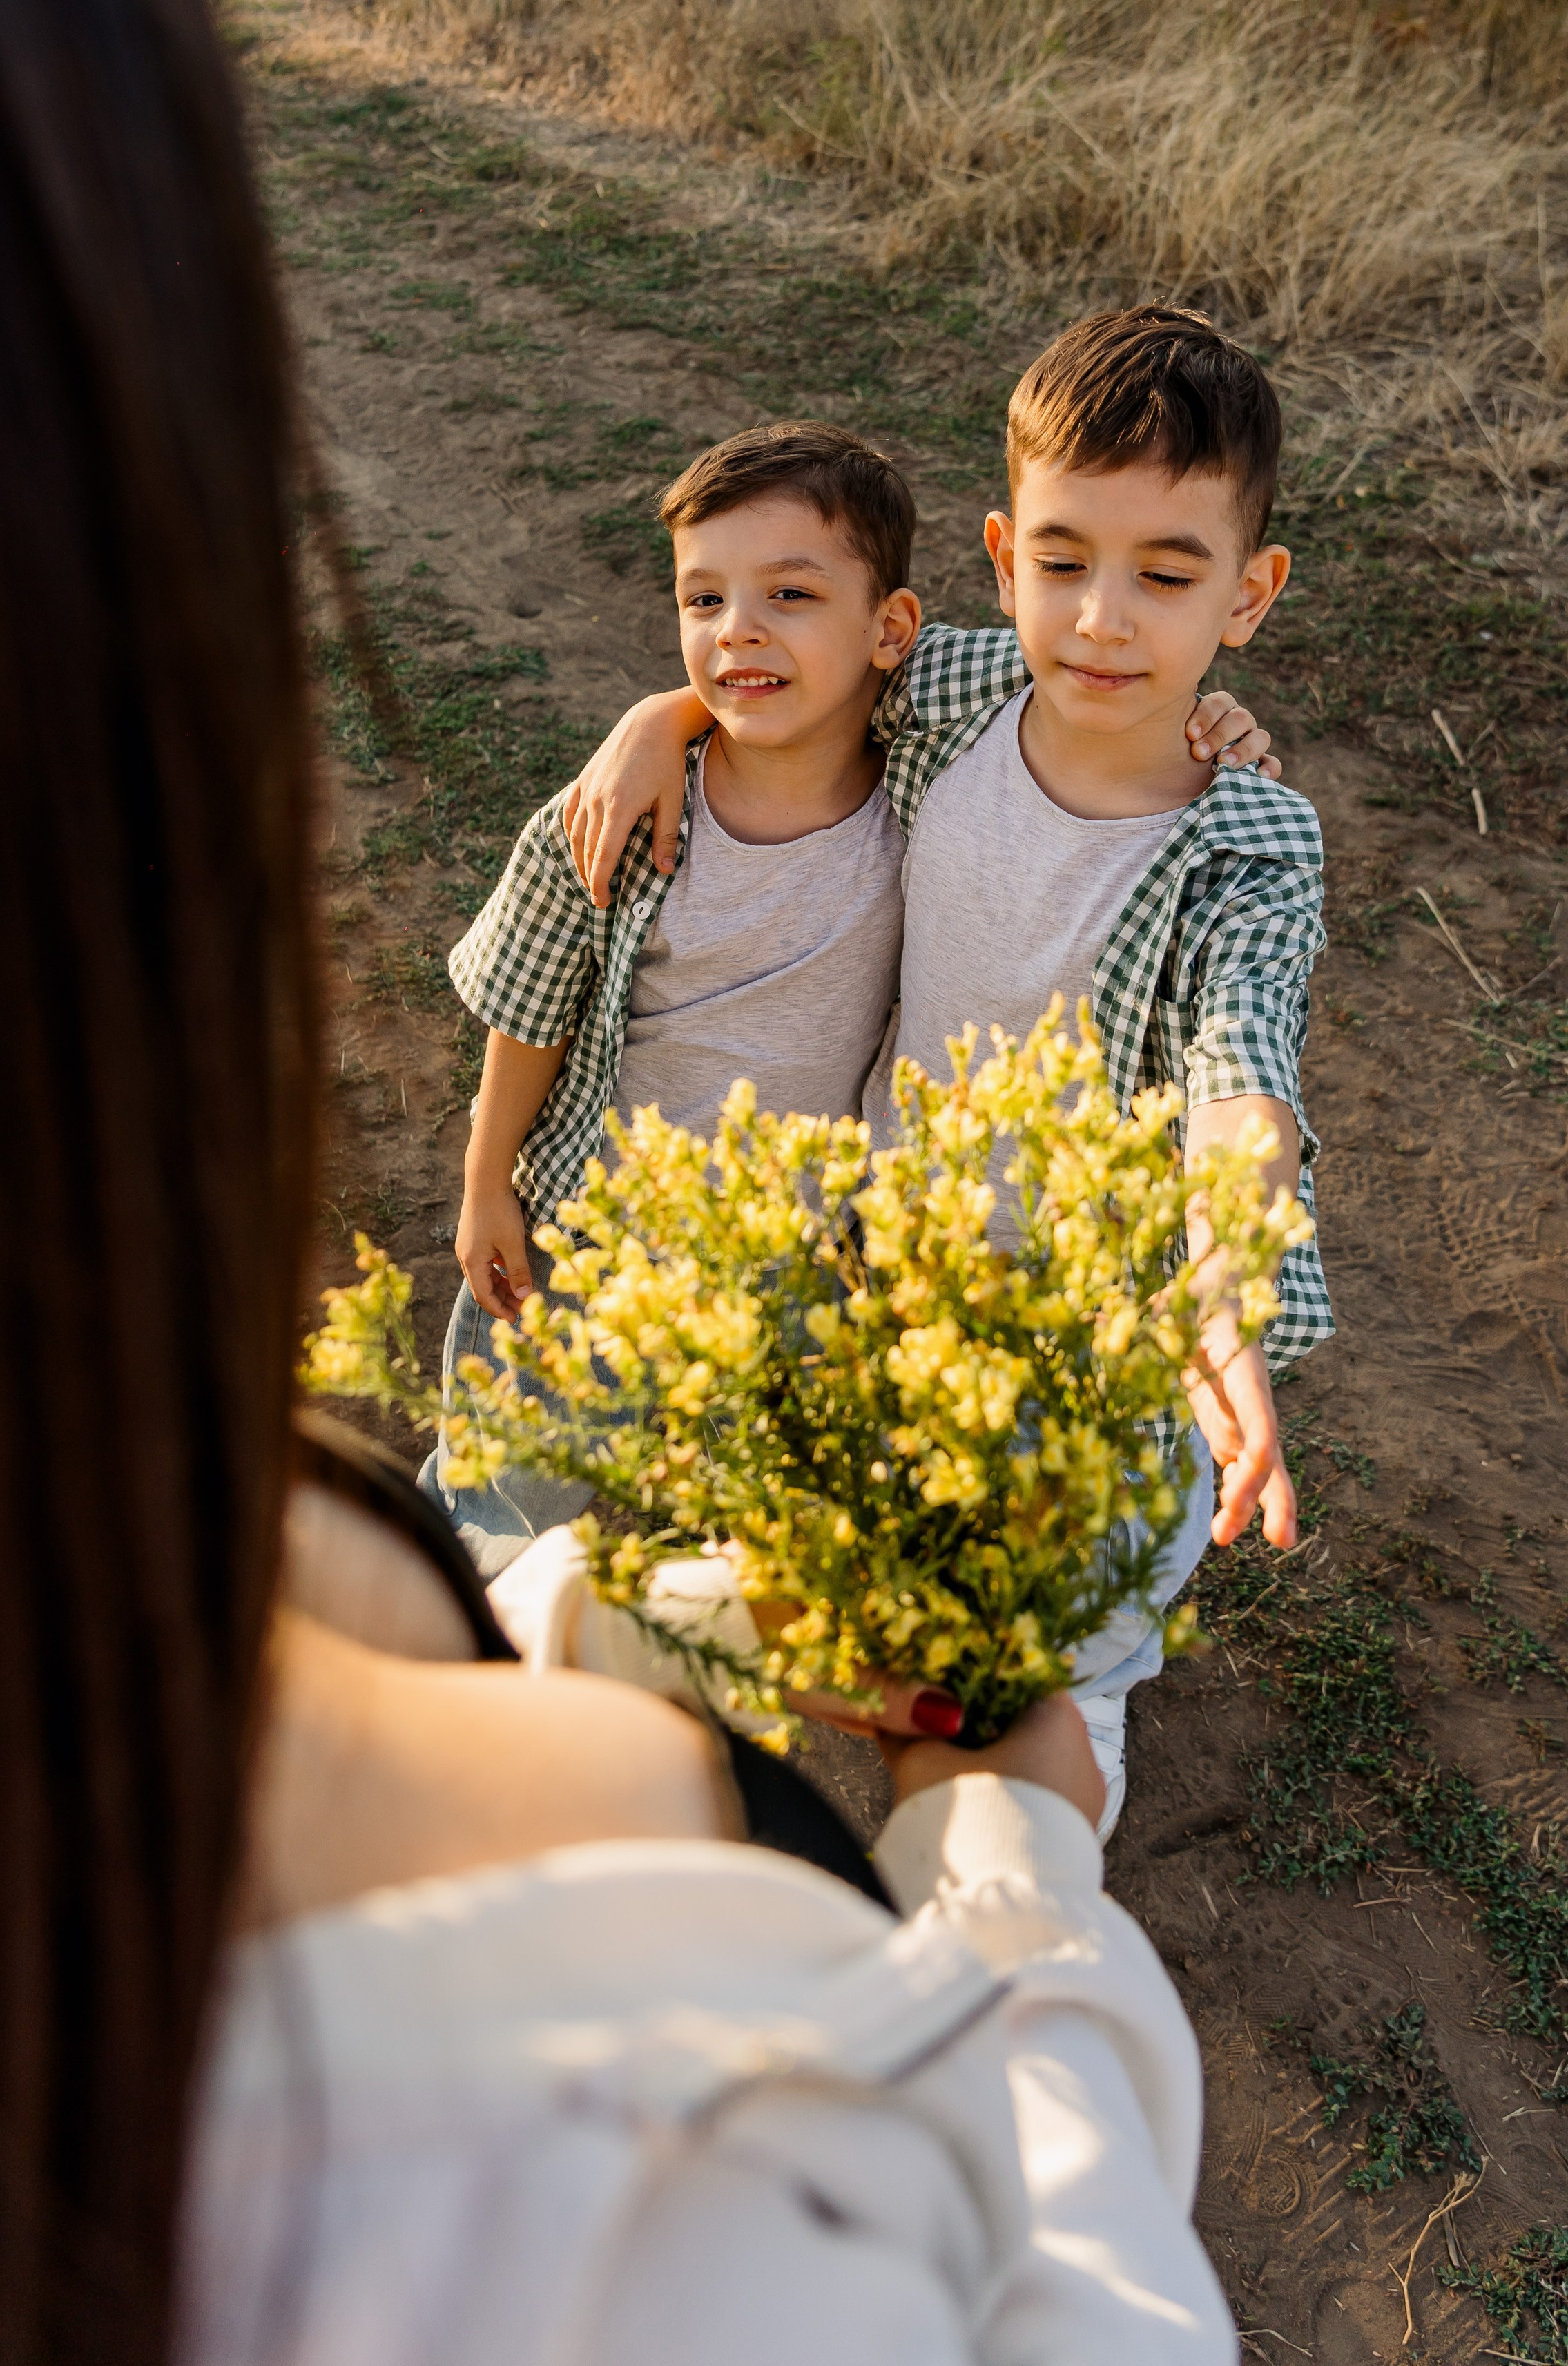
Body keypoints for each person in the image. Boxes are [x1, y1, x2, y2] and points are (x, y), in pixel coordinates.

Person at [0, 0, 1238, 2358]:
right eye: (692, 622)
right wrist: (1000, 1868)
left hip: (777, 1273)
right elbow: (1083, 2305)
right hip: (648, 1325)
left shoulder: (947, 725)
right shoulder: (639, 2120)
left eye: (784, 614)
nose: (731, 654)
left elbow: (1057, 676)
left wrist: (1190, 728)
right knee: (571, 1481)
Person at [560, 311, 1331, 1835]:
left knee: (1052, 1649)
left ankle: (1035, 1856)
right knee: (874, 1553)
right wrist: (664, 717)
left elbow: (1240, 1068)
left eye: (1165, 576)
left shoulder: (1246, 841)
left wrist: (1223, 1276)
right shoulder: (962, 694)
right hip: (896, 1245)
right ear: (997, 557)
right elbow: (786, 659)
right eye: (1062, 561)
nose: (1102, 619)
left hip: (1102, 1322)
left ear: (1248, 595)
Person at [434, 421, 1278, 1578]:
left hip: (792, 1267)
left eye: (788, 592)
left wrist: (1212, 715)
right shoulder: (624, 823)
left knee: (749, 1534)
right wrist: (487, 1184)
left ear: (892, 632)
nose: (738, 629)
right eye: (704, 600)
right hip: (582, 1246)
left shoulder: (920, 790)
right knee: (506, 1502)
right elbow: (530, 1006)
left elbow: (1087, 690)